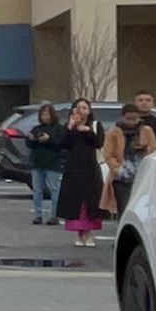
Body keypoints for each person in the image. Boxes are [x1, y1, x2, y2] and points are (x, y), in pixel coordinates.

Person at [53, 99, 107, 245]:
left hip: (90, 168)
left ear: (89, 111)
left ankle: (88, 233)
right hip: (73, 169)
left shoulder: (95, 125)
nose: (80, 111)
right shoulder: (69, 126)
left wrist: (87, 131)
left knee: (90, 201)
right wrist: (71, 127)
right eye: (77, 107)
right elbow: (63, 144)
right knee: (76, 202)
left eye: (84, 108)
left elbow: (99, 143)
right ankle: (79, 233)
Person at [103, 103, 156, 218]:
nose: (132, 122)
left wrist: (145, 149)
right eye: (128, 119)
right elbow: (108, 155)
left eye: (135, 119)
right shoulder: (113, 132)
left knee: (141, 207)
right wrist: (118, 169)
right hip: (121, 177)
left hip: (141, 174)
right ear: (122, 117)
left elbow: (154, 150)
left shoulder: (146, 130)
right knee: (124, 206)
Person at [24, 102, 65, 227]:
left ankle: (54, 215)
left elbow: (61, 145)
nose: (44, 117)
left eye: (47, 114)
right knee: (37, 189)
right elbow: (29, 144)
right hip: (37, 162)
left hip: (53, 163)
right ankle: (38, 215)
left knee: (54, 189)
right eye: (42, 114)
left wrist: (49, 139)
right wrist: (30, 139)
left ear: (52, 115)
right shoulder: (37, 129)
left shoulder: (59, 129)